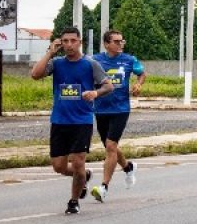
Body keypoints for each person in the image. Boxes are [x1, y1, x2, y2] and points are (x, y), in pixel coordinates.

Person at [30, 27, 113, 214]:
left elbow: (108, 86)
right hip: (59, 121)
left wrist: (95, 93)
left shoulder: (90, 64)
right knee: (58, 167)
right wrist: (50, 52)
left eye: (72, 41)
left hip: (82, 121)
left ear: (79, 42)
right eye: (65, 41)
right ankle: (85, 176)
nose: (69, 45)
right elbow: (35, 74)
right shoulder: (57, 63)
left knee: (77, 163)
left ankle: (73, 201)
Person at [90, 30, 146, 203]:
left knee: (111, 146)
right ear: (107, 44)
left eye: (122, 41)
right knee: (110, 148)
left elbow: (142, 73)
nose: (120, 44)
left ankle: (103, 187)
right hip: (100, 109)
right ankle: (128, 167)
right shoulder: (95, 60)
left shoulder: (129, 60)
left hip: (120, 109)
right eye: (116, 41)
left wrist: (138, 84)